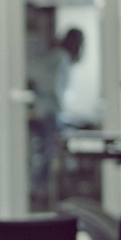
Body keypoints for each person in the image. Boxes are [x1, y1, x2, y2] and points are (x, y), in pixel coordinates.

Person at [29, 27, 84, 208]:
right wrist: (63, 108)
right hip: (50, 112)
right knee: (50, 152)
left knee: (49, 150)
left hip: (46, 110)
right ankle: (40, 190)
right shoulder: (61, 58)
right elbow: (55, 86)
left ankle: (40, 189)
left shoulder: (57, 55)